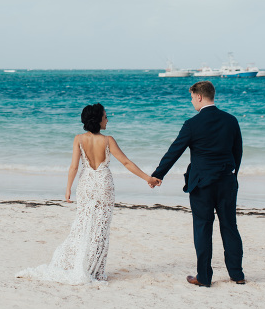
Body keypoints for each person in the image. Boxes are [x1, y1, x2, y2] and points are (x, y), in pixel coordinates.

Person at [17, 103, 159, 284]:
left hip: (86, 184)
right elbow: (126, 163)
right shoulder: (108, 140)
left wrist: (68, 188)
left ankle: (81, 265)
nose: (107, 120)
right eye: (105, 117)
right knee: (100, 228)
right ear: (98, 120)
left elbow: (74, 166)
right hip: (103, 184)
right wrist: (148, 178)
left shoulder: (79, 139)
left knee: (83, 225)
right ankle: (96, 271)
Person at [151, 80, 245, 287]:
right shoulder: (231, 120)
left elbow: (174, 151)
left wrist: (158, 174)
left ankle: (204, 277)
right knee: (230, 226)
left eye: (192, 97)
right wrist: (232, 174)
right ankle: (237, 274)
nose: (192, 101)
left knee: (203, 228)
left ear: (200, 97)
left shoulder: (192, 124)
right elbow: (237, 152)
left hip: (202, 184)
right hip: (226, 181)